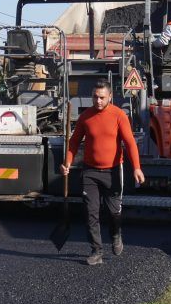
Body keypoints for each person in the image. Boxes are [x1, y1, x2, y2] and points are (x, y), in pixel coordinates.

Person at [60, 80, 145, 265]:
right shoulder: (86, 117)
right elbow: (74, 142)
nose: (97, 101)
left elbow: (130, 143)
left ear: (109, 97)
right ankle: (96, 251)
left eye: (101, 98)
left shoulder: (119, 115)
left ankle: (116, 235)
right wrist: (67, 161)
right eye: (94, 97)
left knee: (114, 213)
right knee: (91, 213)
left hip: (113, 171)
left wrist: (137, 167)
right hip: (90, 171)